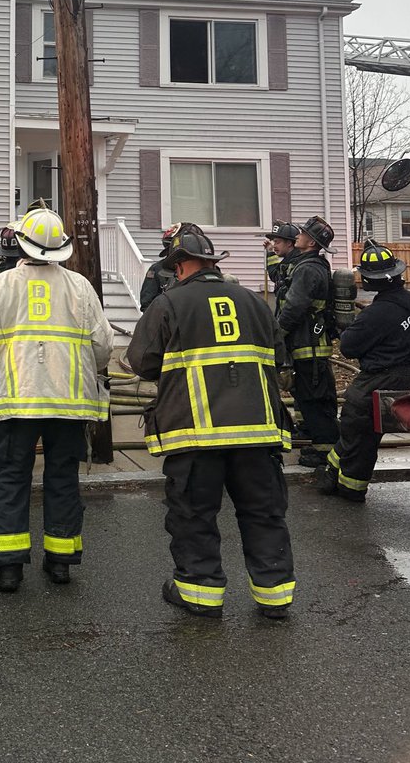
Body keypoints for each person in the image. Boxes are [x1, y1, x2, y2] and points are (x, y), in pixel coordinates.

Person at [127, 227, 295, 620]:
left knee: (194, 514)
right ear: (213, 264)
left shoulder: (168, 304)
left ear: (180, 265)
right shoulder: (254, 302)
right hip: (258, 433)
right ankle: (275, 596)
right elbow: (279, 354)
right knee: (263, 513)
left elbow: (143, 362)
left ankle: (201, 595)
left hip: (196, 435)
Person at [0, 207, 113, 593]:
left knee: (10, 479)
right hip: (69, 405)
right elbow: (103, 347)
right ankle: (61, 563)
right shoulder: (81, 288)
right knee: (63, 478)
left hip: (14, 406)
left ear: (20, 242)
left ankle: (10, 570)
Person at [317, 241, 410, 503]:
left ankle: (351, 487)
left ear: (369, 280)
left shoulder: (376, 314)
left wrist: (346, 326)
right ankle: (331, 473)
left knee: (357, 425)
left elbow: (349, 347)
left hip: (380, 380)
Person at [275, 215, 339, 467]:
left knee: (315, 397)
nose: (298, 235)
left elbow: (294, 307)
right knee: (307, 393)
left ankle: (325, 451)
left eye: (302, 233)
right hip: (308, 343)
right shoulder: (309, 264)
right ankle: (314, 436)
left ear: (311, 242)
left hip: (307, 344)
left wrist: (277, 334)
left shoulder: (308, 269)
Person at [263, 222, 301, 294]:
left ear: (289, 243)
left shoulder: (297, 264)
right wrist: (270, 252)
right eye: (274, 242)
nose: (274, 246)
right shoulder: (287, 262)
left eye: (277, 242)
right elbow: (275, 275)